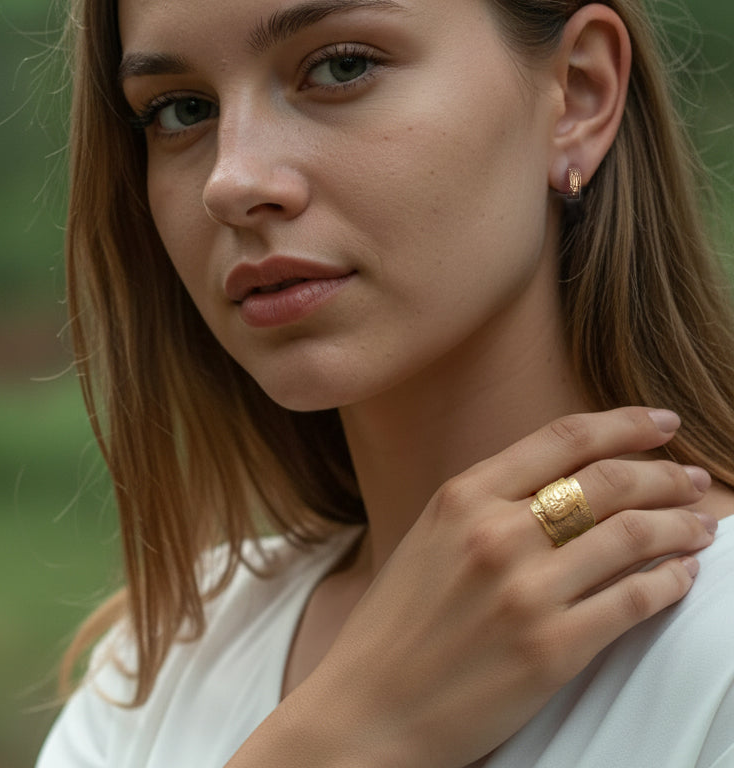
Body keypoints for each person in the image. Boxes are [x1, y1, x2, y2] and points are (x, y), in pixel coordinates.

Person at [36, 0, 734, 765]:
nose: (230, 182)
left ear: (579, 93)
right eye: (181, 110)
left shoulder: (713, 649)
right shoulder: (161, 666)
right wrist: (345, 734)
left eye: (341, 66)